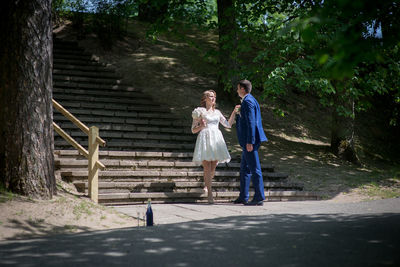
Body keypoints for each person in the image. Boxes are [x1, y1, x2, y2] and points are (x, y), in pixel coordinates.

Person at [191, 90, 238, 204]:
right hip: (205, 139)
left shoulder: (217, 112)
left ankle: (207, 185)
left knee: (213, 167)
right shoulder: (200, 111)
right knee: (207, 167)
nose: (213, 99)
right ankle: (210, 194)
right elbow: (193, 130)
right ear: (205, 99)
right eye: (210, 97)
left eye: (214, 97)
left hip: (216, 140)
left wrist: (234, 112)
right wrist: (201, 125)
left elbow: (227, 125)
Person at [233, 80, 268, 206]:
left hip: (250, 141)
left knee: (254, 169)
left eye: (238, 88)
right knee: (244, 169)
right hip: (249, 140)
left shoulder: (248, 101)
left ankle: (259, 197)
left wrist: (250, 141)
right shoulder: (251, 99)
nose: (237, 91)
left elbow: (251, 122)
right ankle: (243, 196)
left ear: (243, 89)